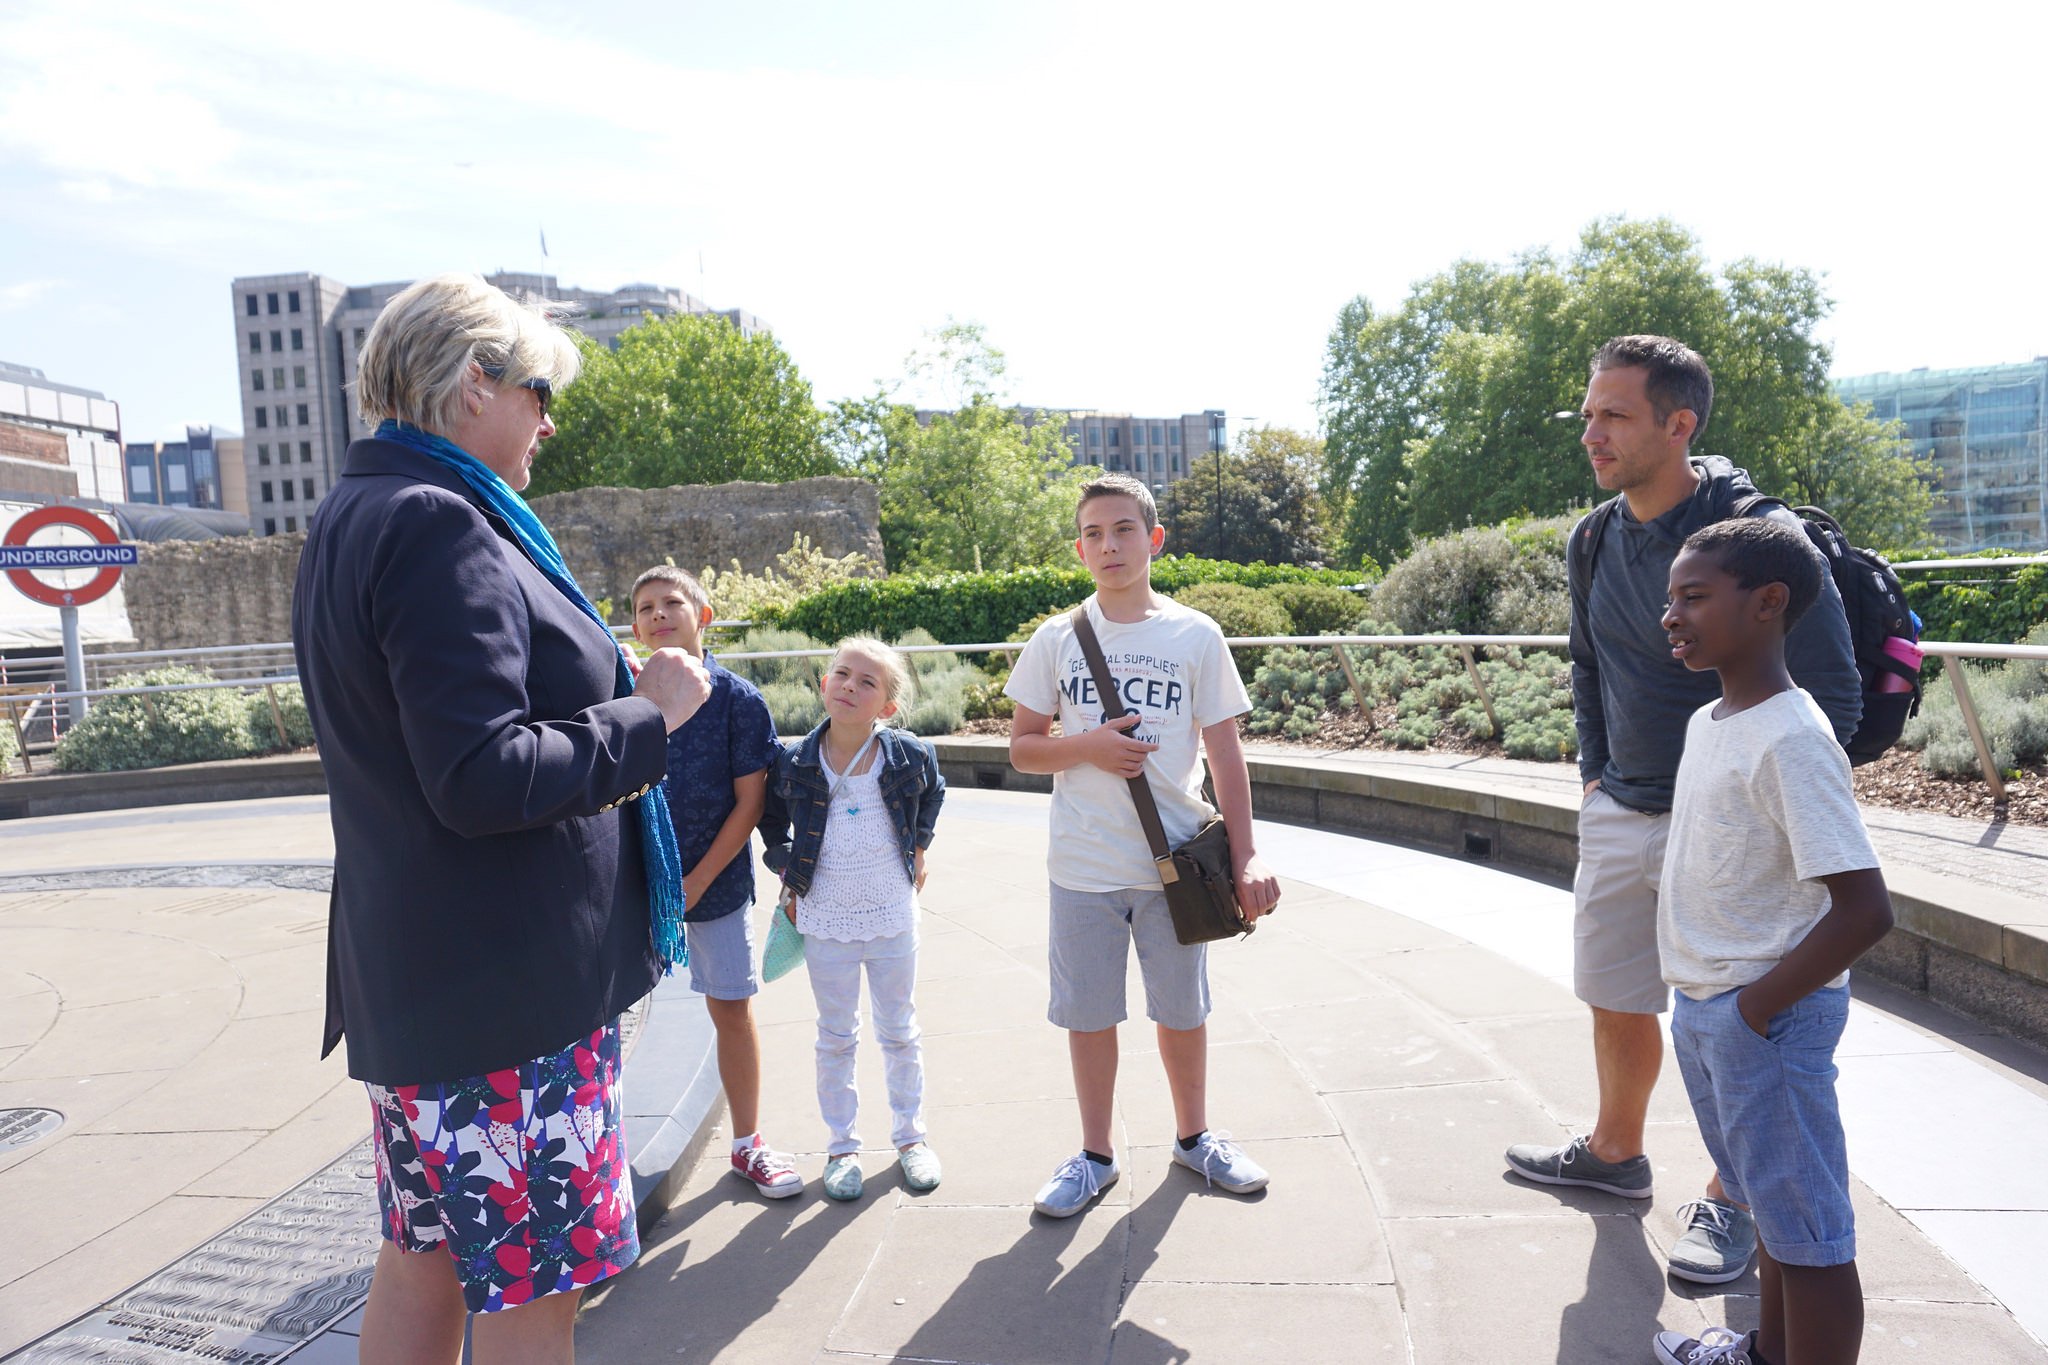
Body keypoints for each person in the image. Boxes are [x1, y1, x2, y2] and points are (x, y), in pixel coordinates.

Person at [292, 274, 710, 1365]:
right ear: (473, 383)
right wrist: (645, 716)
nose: (547, 418)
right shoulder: (437, 522)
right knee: (531, 1293)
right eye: (535, 390)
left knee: (423, 1264)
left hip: (422, 984)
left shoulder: (353, 511)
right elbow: (481, 774)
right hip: (507, 999)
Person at [1503, 336, 1861, 1284]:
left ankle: (1734, 1198)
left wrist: (1758, 798)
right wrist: (1593, 775)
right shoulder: (1594, 537)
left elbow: (1834, 694)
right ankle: (1617, 1154)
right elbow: (1585, 665)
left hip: (1732, 824)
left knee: (1732, 1022)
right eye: (1588, 413)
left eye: (1613, 415)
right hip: (1623, 803)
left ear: (1679, 423)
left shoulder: (1752, 537)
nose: (1592, 433)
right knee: (1616, 992)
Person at [1004, 472, 1282, 1218]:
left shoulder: (1195, 634)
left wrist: (1247, 852)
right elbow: (1024, 748)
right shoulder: (1056, 638)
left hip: (1176, 864)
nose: (1108, 545)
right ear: (1079, 548)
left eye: (1123, 529)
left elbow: (1226, 755)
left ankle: (1194, 1139)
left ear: (1154, 539)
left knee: (1182, 1011)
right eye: (1093, 533)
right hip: (1083, 868)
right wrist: (1086, 745)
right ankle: (1095, 1156)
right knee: (1089, 1015)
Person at [1650, 517, 1892, 1365]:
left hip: (1765, 1020)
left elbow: (1865, 908)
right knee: (1777, 1221)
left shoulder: (1792, 736)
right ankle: (1762, 1355)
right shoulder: (1712, 719)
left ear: (1768, 603)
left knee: (1812, 1236)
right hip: (1715, 1009)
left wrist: (1754, 1011)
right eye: (1670, 596)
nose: (1671, 615)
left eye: (1694, 596)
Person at [629, 565, 800, 1199]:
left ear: (703, 615)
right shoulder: (629, 698)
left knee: (730, 1007)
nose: (658, 613)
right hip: (637, 885)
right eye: (644, 606)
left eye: (671, 601)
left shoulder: (737, 699)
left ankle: (748, 1144)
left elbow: (750, 804)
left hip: (715, 886)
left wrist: (695, 883)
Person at [759, 636, 946, 1200]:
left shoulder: (907, 754)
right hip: (825, 918)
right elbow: (770, 821)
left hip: (892, 912)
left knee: (899, 1031)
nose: (851, 686)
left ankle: (912, 1140)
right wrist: (786, 865)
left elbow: (933, 794)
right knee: (836, 1035)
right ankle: (842, 1148)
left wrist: (919, 845)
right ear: (824, 684)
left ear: (887, 706)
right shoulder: (793, 761)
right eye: (842, 674)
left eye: (869, 683)